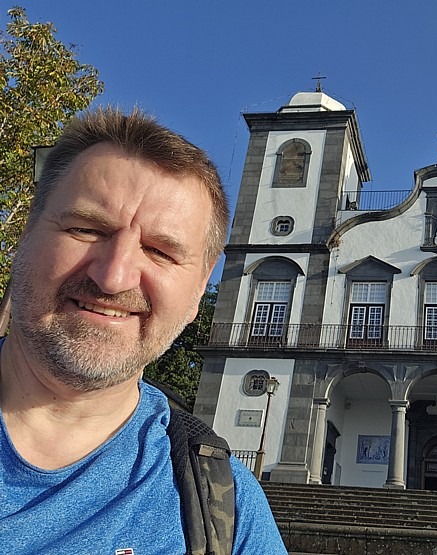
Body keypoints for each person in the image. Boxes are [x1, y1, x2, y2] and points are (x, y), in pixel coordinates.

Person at [0, 107, 288, 554]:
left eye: (161, 252)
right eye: (86, 229)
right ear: (25, 236)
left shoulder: (227, 506)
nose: (114, 277)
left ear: (200, 289)